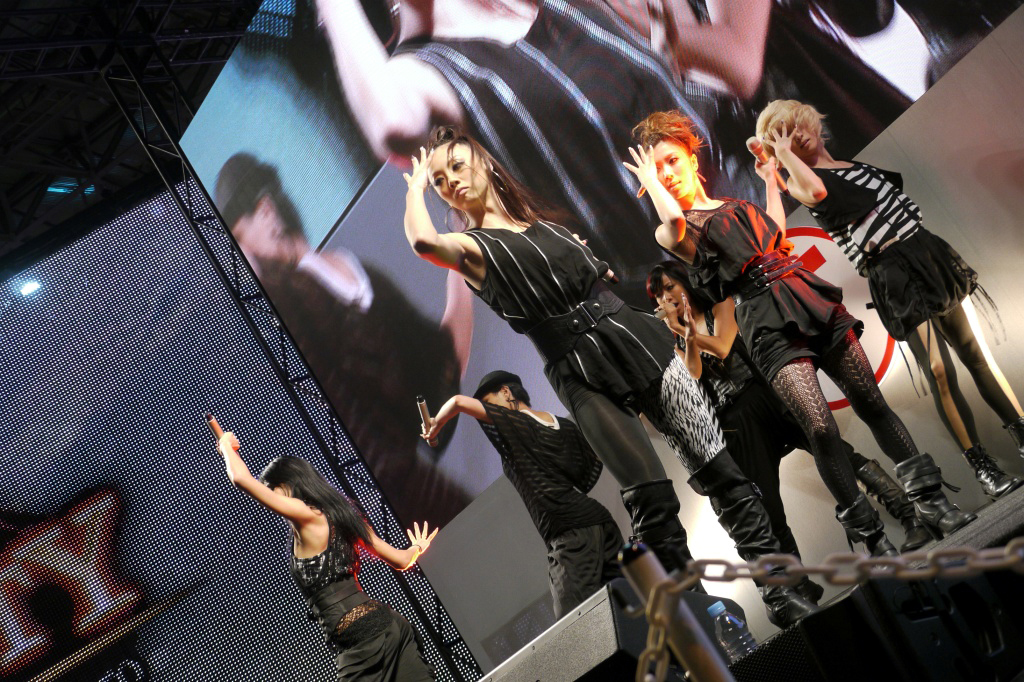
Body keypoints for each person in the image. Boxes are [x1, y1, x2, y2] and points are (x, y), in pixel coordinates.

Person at [401, 124, 817, 626]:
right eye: (440, 180)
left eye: (456, 166)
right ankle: (707, 623)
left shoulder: (543, 225)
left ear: (484, 163)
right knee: (651, 500)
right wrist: (415, 187)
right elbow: (422, 240)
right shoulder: (469, 247)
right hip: (578, 372)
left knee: (718, 465)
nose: (450, 181)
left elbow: (594, 273)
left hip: (637, 339)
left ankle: (781, 591)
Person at [627, 110, 975, 557]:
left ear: (692, 162)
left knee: (871, 401)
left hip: (804, 293)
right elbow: (674, 226)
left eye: (672, 162)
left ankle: (932, 505)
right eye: (656, 171)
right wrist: (652, 183)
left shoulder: (734, 205)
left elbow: (775, 236)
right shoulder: (674, 228)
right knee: (820, 428)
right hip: (763, 320)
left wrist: (770, 182)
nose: (666, 174)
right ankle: (873, 539)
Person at [755, 99, 1024, 499]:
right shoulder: (801, 183)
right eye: (783, 135)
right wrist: (778, 162)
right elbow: (815, 191)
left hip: (924, 252)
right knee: (938, 369)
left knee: (975, 352)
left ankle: (1021, 434)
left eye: (795, 126)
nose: (795, 136)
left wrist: (783, 151)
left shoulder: (857, 168)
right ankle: (982, 467)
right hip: (889, 271)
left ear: (811, 121)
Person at [214, 153, 475, 527]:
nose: (243, 259)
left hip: (422, 499)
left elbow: (440, 370)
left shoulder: (352, 275)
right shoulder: (288, 312)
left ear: (269, 207)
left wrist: (461, 255)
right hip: (393, 507)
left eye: (239, 238)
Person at [647, 260, 932, 571]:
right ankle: (798, 584)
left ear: (686, 284)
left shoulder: (721, 306)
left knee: (841, 456)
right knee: (766, 504)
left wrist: (689, 332)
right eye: (658, 296)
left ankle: (908, 517)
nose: (666, 298)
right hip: (736, 420)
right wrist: (684, 336)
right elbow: (694, 371)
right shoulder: (678, 342)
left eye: (670, 287)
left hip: (767, 394)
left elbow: (723, 347)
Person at [216, 430, 436, 681]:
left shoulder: (306, 515)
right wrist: (417, 548)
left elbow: (241, 479)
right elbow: (401, 560)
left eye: (271, 489)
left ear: (287, 485)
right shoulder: (343, 516)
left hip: (361, 637)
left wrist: (226, 446)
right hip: (387, 624)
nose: (268, 498)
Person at [422, 370, 623, 618]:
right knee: (622, 612)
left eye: (489, 404)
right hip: (601, 523)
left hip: (569, 535)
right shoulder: (563, 426)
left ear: (506, 392)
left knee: (575, 625)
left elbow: (458, 402)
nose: (488, 413)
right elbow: (587, 471)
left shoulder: (515, 424)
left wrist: (435, 425)